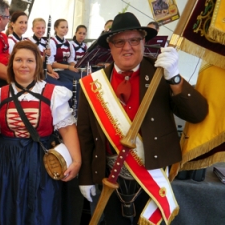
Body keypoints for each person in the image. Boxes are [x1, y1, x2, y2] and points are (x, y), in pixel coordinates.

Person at [77, 12, 208, 225]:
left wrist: (175, 78)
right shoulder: (93, 84)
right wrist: (85, 177)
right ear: (110, 46)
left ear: (143, 41)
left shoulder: (161, 73)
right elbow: (85, 134)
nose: (127, 47)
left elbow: (197, 114)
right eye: (119, 42)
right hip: (110, 176)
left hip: (152, 175)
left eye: (134, 40)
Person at [0, 40, 81, 225]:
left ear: (37, 64)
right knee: (5, 210)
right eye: (19, 60)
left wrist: (76, 161)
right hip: (6, 162)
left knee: (41, 210)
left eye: (29, 60)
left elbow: (67, 128)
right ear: (11, 63)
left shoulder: (54, 93)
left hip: (40, 161)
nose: (24, 65)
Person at [46, 18, 81, 92]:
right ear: (55, 28)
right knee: (73, 82)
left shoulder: (69, 43)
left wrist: (75, 67)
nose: (65, 29)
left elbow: (71, 60)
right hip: (57, 70)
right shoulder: (52, 42)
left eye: (67, 27)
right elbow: (51, 63)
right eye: (62, 27)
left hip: (66, 69)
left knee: (83, 76)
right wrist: (69, 67)